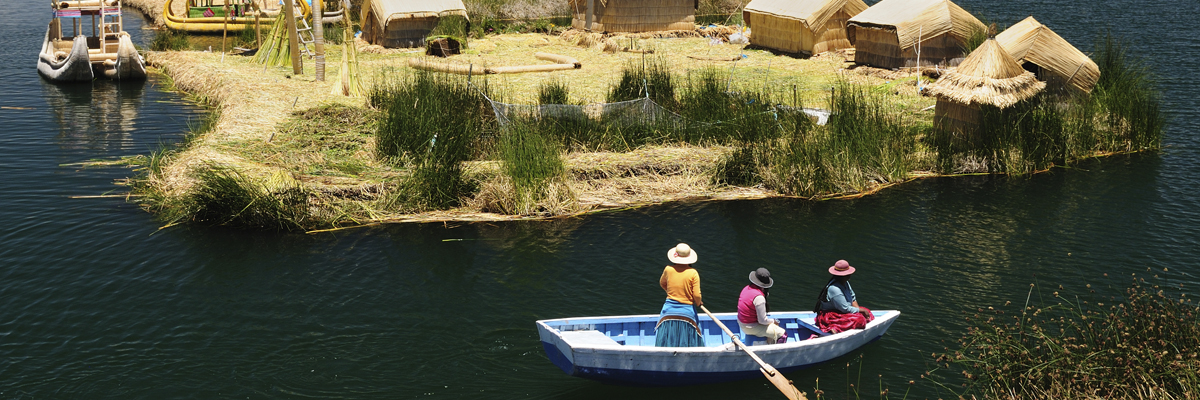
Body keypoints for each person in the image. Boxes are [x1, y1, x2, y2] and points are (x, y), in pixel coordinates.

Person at [655, 243, 705, 347]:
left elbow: (662, 283)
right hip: (687, 312)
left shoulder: (668, 269)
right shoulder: (693, 272)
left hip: (668, 310)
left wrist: (671, 293)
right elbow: (696, 294)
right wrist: (698, 302)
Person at [815, 260, 874, 334]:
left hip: (843, 311)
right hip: (831, 315)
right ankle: (834, 327)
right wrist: (859, 311)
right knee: (860, 319)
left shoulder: (846, 283)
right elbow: (844, 308)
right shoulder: (834, 289)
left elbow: (853, 298)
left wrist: (858, 311)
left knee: (867, 312)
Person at [737, 268, 787, 344]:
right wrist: (773, 321)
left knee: (771, 325)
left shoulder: (746, 288)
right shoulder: (759, 297)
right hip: (750, 327)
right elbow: (762, 321)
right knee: (783, 334)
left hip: (741, 323)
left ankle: (767, 344)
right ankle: (774, 352)